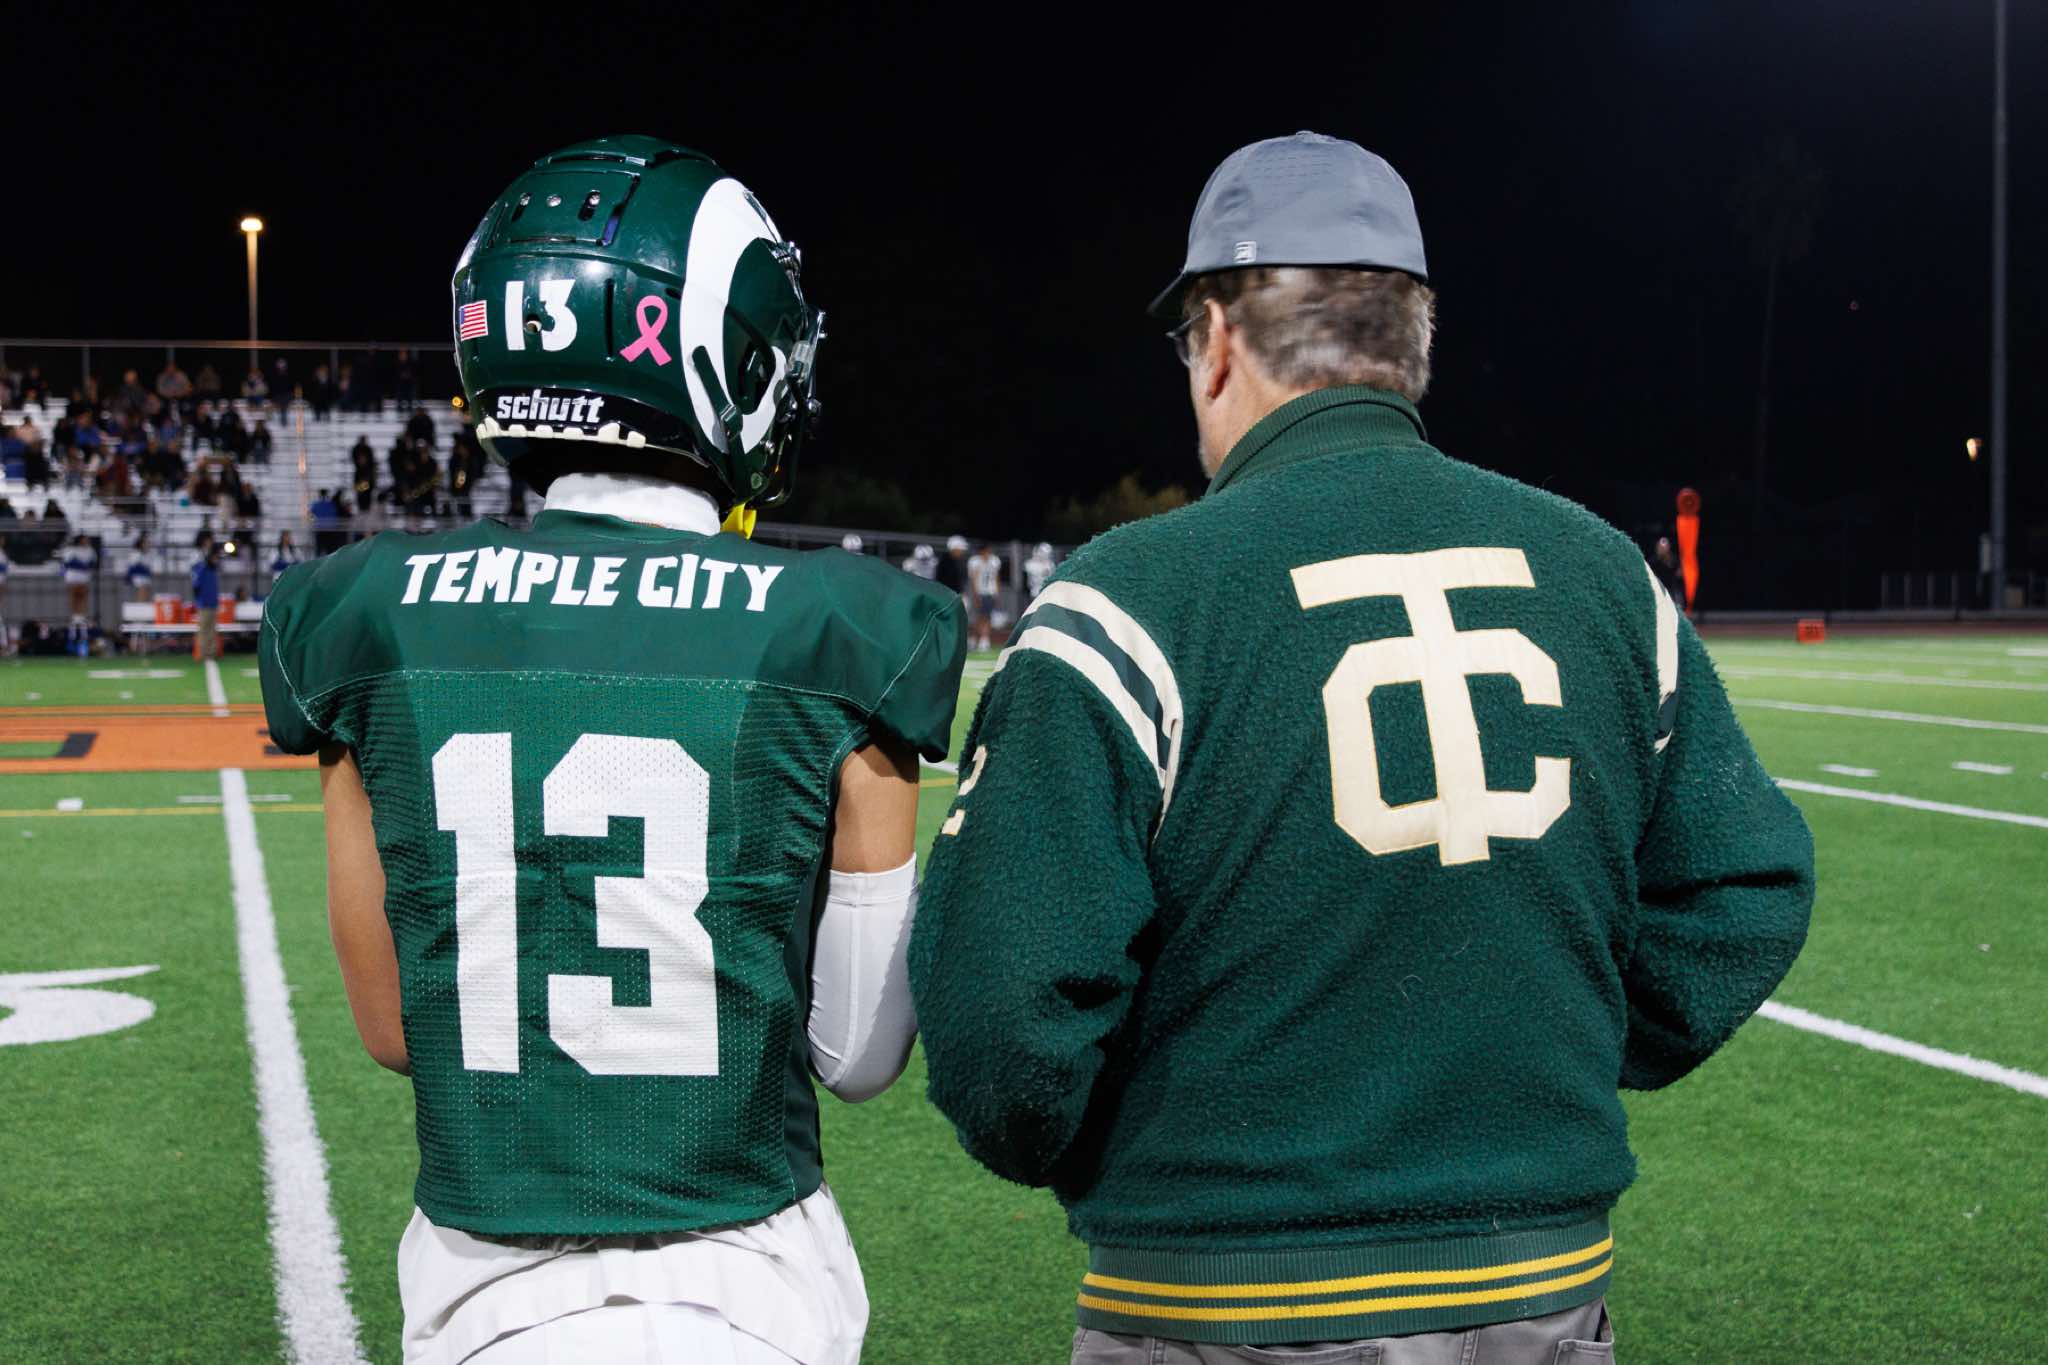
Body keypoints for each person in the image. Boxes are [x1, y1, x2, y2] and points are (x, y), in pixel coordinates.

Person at [910, 132, 1816, 1365]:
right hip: (1542, 1293)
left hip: (1225, 1302)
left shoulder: (1132, 595)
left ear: (1215, 339)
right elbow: (1745, 884)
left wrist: (1149, 1143)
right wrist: (1546, 1070)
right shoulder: (1600, 570)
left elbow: (1000, 1033)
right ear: (1412, 340)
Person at [257, 135, 965, 1365]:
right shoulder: (842, 624)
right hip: (747, 1293)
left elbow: (393, 1029)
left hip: (483, 1306)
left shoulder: (364, 611)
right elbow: (855, 1057)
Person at [61, 533, 97, 656]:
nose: (86, 541)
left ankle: (81, 615)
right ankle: (74, 615)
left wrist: (85, 566)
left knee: (83, 595)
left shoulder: (90, 551)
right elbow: (67, 562)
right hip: (73, 575)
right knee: (74, 595)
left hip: (84, 576)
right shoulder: (71, 549)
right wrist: (81, 565)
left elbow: (93, 563)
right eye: (84, 539)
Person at [965, 541, 1002, 650]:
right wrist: (975, 595)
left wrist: (997, 593)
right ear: (981, 551)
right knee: (980, 617)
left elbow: (996, 577)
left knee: (987, 616)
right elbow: (974, 579)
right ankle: (975, 638)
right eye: (986, 551)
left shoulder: (994, 561)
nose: (988, 553)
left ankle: (984, 639)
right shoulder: (974, 561)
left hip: (990, 592)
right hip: (980, 592)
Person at [191, 539, 222, 661]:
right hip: (204, 604)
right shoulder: (202, 568)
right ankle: (203, 653)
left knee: (212, 630)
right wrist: (198, 600)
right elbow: (196, 585)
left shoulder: (213, 570)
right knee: (204, 630)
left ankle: (211, 653)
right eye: (214, 558)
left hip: (213, 603)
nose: (216, 560)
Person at [126, 536, 154, 654]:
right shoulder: (135, 554)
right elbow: (132, 569)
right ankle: (135, 641)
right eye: (145, 543)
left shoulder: (148, 555)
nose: (147, 545)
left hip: (145, 581)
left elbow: (149, 569)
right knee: (140, 606)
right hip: (138, 581)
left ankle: (142, 639)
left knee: (145, 605)